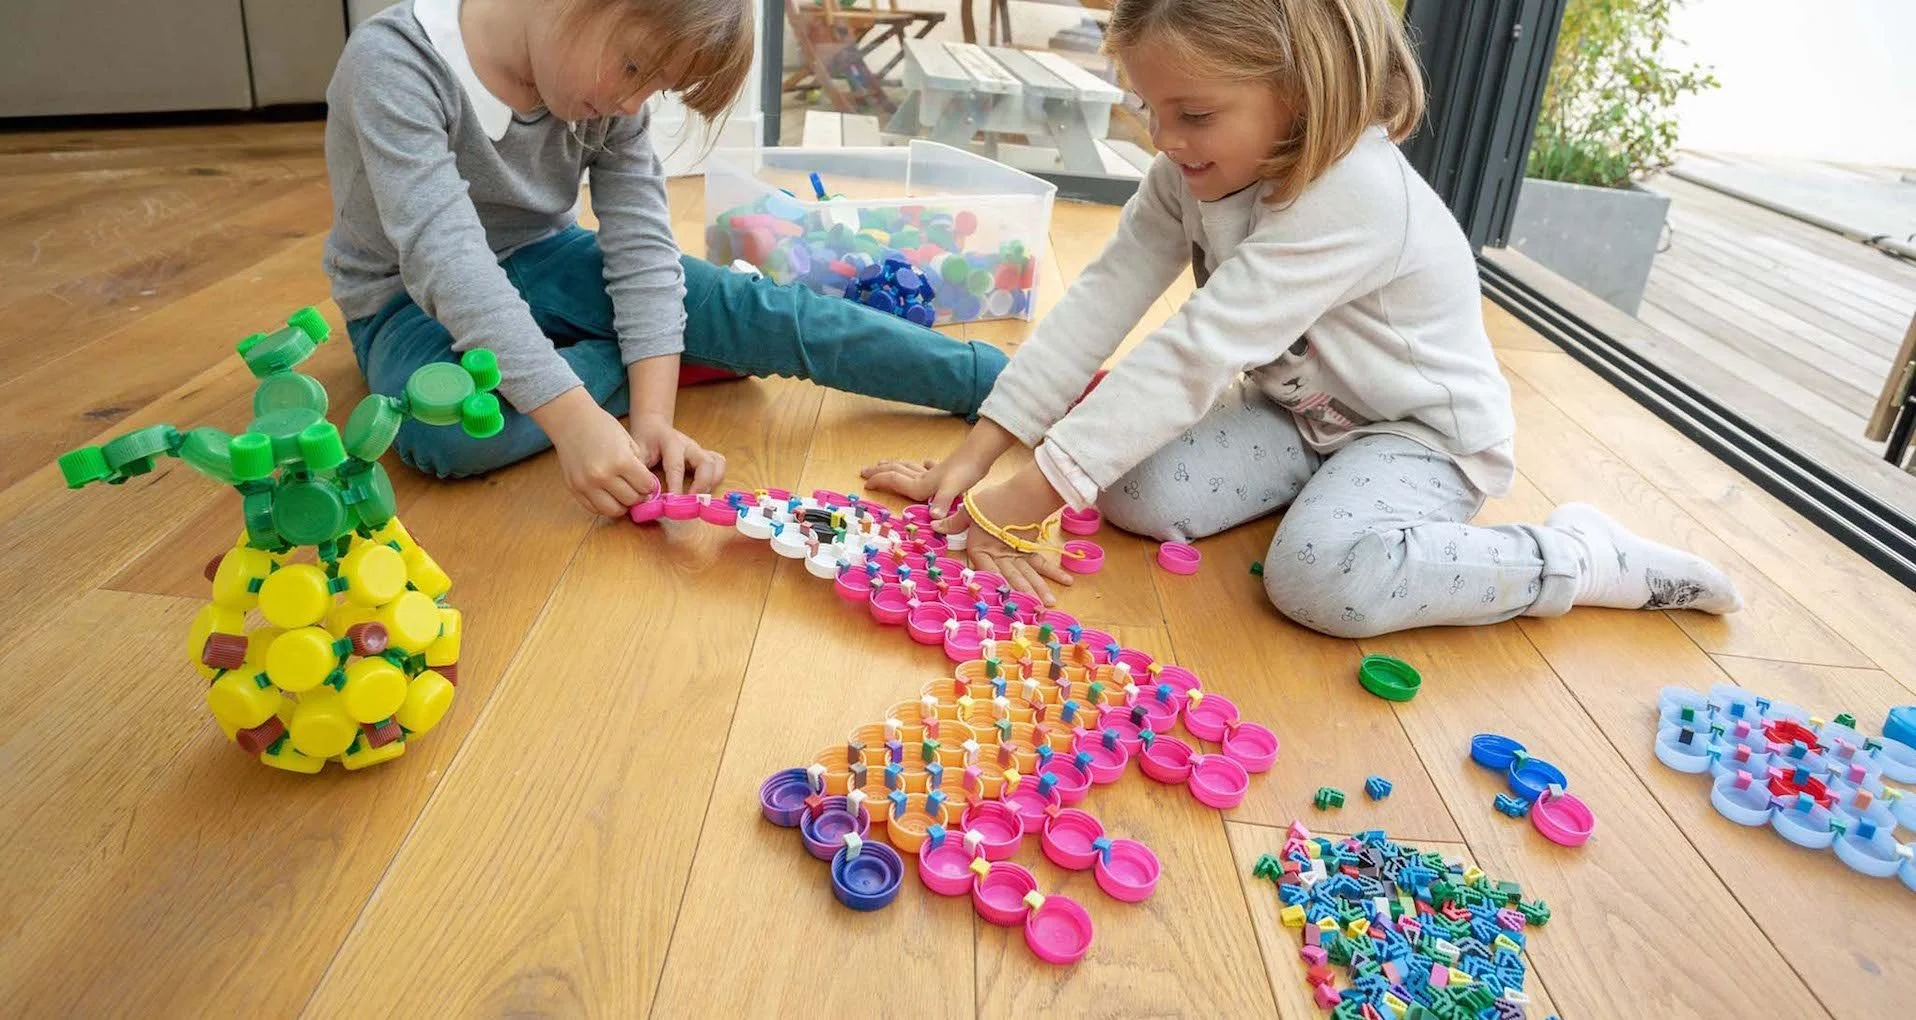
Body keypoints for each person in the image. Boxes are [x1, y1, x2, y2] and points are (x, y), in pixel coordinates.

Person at [862, 0, 1741, 637]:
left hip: (1421, 437)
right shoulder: (1186, 172)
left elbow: (1199, 349)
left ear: (1303, 89)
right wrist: (981, 452)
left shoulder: (1357, 193)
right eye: (1151, 111)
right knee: (1127, 489)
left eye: (1193, 114)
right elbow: (1104, 296)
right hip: (1298, 416)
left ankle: (1577, 557)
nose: (1164, 139)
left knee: (1320, 580)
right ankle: (1328, 494)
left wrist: (1021, 502)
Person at [324, 0, 1007, 517]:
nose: (630, 102)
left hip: (545, 257)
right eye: (634, 67)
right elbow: (448, 262)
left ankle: (994, 380)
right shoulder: (394, 63)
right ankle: (648, 356)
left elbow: (643, 249)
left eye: (654, 87)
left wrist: (653, 421)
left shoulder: (608, 92)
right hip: (404, 304)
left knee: (751, 308)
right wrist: (576, 419)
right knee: (443, 434)